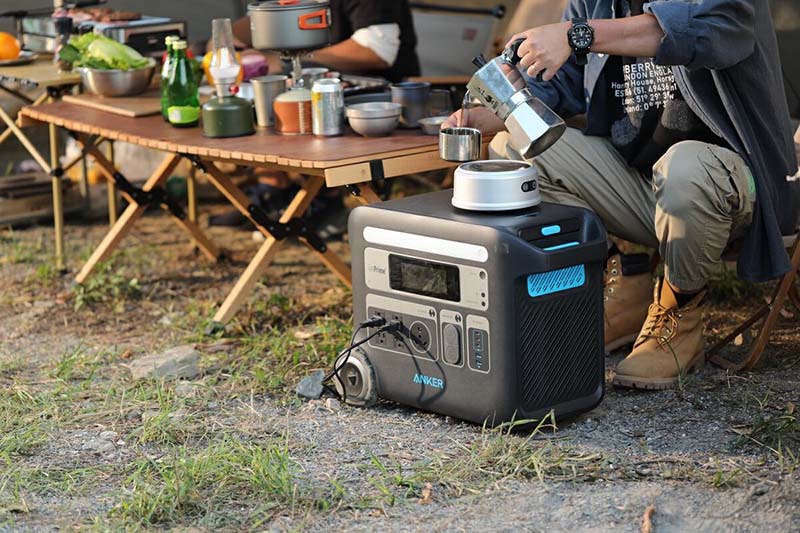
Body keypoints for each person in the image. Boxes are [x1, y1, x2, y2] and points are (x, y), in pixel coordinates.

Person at [443, 0, 800, 390]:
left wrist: (577, 35)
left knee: (684, 167)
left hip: (733, 188)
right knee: (517, 148)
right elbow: (562, 85)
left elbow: (713, 28)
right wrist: (490, 114)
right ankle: (627, 277)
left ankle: (679, 310)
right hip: (645, 187)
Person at [231, 0, 420, 82]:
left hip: (376, 102)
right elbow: (260, 20)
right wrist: (223, 39)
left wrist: (286, 60)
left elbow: (376, 51)